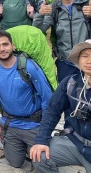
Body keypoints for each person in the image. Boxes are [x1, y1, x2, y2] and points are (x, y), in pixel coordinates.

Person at [0, 30, 53, 168]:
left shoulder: (28, 67)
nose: (2, 49)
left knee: (42, 161)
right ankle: (22, 146)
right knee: (15, 162)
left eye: (5, 44)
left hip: (33, 125)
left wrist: (45, 131)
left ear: (13, 46)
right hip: (10, 124)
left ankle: (44, 143)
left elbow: (47, 99)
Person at [30, 40, 91, 172]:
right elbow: (52, 111)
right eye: (85, 56)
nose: (89, 61)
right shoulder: (70, 83)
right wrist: (41, 140)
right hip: (73, 142)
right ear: (78, 60)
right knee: (40, 156)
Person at [33, 0, 91, 82]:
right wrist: (39, 15)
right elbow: (39, 30)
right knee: (67, 93)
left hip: (87, 60)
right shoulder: (53, 8)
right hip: (64, 61)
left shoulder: (87, 5)